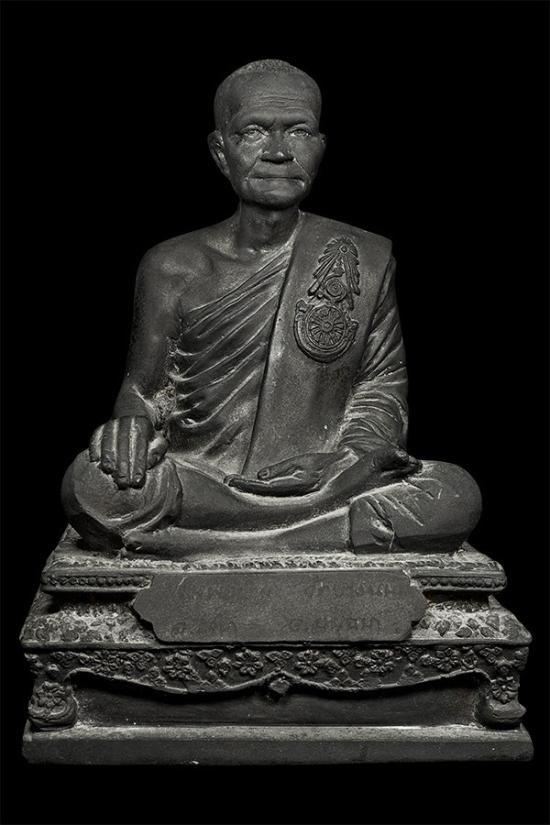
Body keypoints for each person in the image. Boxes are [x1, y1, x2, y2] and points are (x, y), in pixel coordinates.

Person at [62, 59, 481, 557]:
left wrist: (344, 460)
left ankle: (210, 543)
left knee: (455, 494)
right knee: (91, 484)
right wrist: (130, 425)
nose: (279, 152)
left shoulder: (361, 257)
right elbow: (145, 391)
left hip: (325, 482)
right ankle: (319, 537)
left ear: (320, 146)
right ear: (221, 152)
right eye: (254, 132)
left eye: (298, 131)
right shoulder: (172, 265)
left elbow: (380, 388)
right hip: (204, 478)